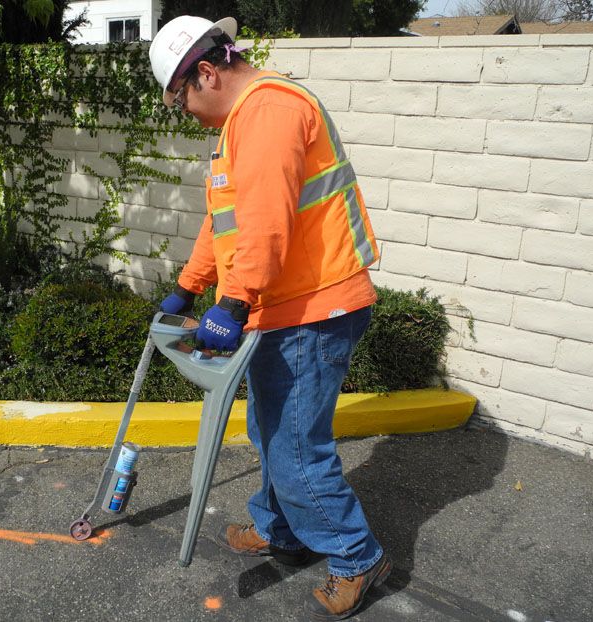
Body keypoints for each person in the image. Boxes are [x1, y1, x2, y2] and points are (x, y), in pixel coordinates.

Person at [149, 15, 390, 621]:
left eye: (179, 100)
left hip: (313, 307)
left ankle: (356, 556)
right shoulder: (243, 122)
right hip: (285, 307)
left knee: (295, 448)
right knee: (270, 431)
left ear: (206, 74)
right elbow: (224, 221)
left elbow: (267, 224)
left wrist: (232, 302)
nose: (184, 113)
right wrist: (188, 288)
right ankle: (281, 529)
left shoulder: (269, 110)